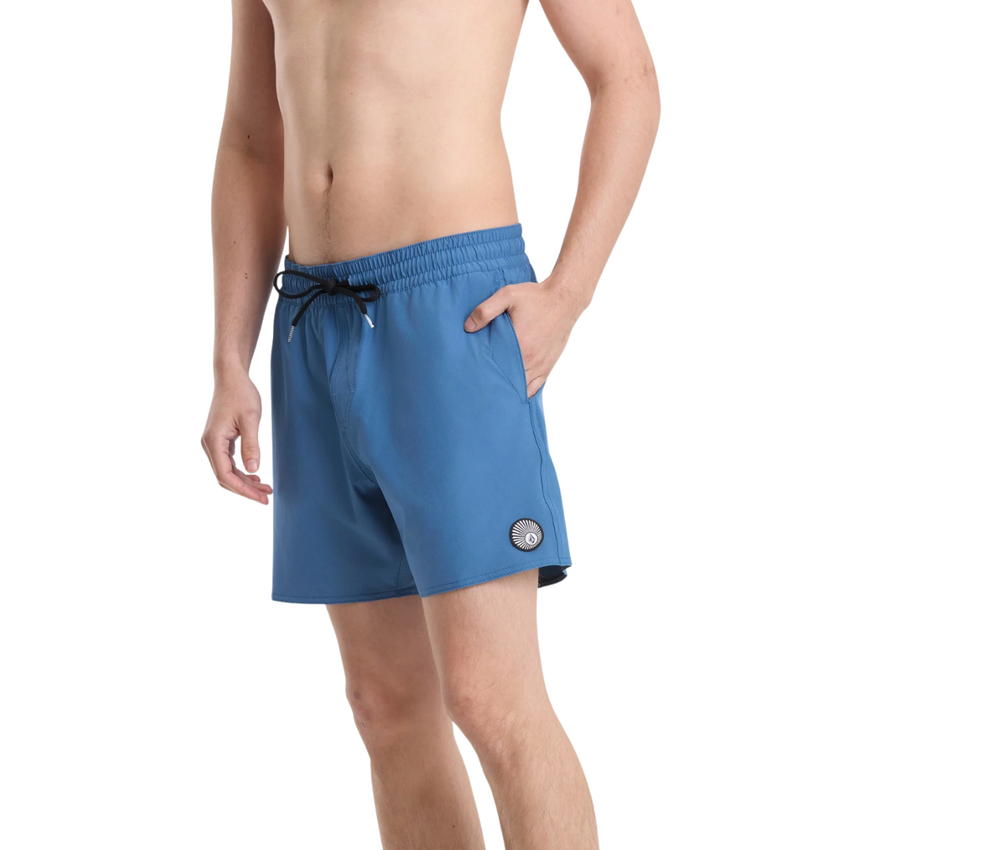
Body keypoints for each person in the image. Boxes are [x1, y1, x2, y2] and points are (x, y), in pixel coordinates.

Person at [201, 0, 658, 845]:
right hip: (310, 318)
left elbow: (626, 79)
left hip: (454, 311)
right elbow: (252, 138)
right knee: (384, 705)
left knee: (490, 697)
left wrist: (568, 294)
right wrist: (231, 354)